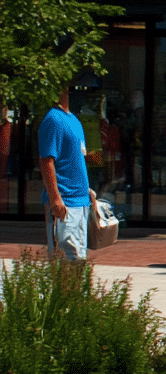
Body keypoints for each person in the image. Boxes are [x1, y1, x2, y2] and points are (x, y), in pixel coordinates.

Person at [39, 80, 89, 260]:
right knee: (64, 260)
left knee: (78, 259)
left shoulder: (73, 120)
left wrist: (87, 190)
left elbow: (76, 158)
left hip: (80, 201)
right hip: (65, 202)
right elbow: (46, 161)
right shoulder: (53, 119)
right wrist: (55, 198)